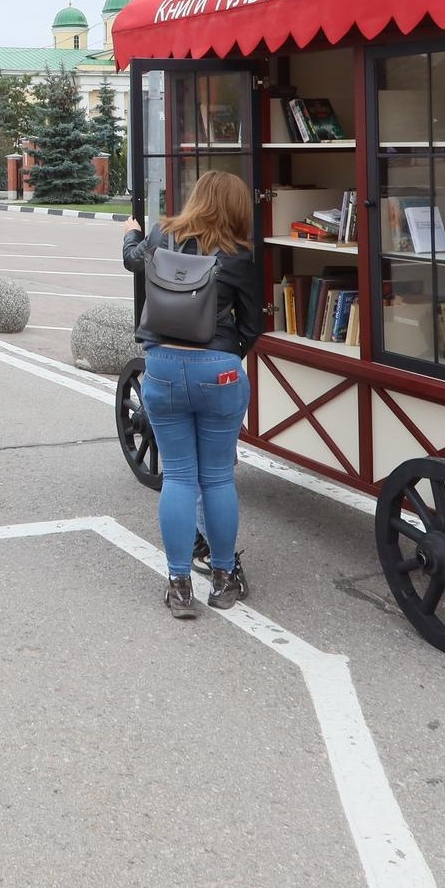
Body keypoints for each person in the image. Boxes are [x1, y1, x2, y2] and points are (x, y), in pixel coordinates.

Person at [121, 173, 263, 618]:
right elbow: (254, 321)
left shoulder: (162, 235)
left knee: (179, 478)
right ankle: (223, 578)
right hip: (218, 370)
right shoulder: (240, 255)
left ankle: (179, 585)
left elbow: (131, 261)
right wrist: (226, 355)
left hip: (161, 366)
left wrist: (129, 230)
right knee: (218, 477)